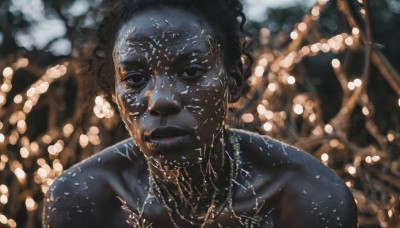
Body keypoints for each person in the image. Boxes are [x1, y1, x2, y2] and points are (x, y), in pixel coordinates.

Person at [42, 0, 358, 227]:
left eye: (191, 72)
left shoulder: (305, 195)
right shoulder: (82, 199)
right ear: (115, 95)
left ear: (232, 82)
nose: (160, 101)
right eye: (135, 79)